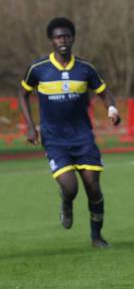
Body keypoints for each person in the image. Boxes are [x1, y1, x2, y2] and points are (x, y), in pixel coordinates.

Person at [18, 17, 121, 248]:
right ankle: (66, 201)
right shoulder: (38, 69)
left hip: (83, 137)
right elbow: (22, 94)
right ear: (51, 41)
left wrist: (112, 108)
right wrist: (29, 124)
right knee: (70, 186)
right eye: (57, 37)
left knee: (93, 186)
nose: (62, 40)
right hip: (54, 138)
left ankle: (97, 237)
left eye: (66, 36)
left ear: (72, 38)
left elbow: (104, 93)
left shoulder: (85, 69)